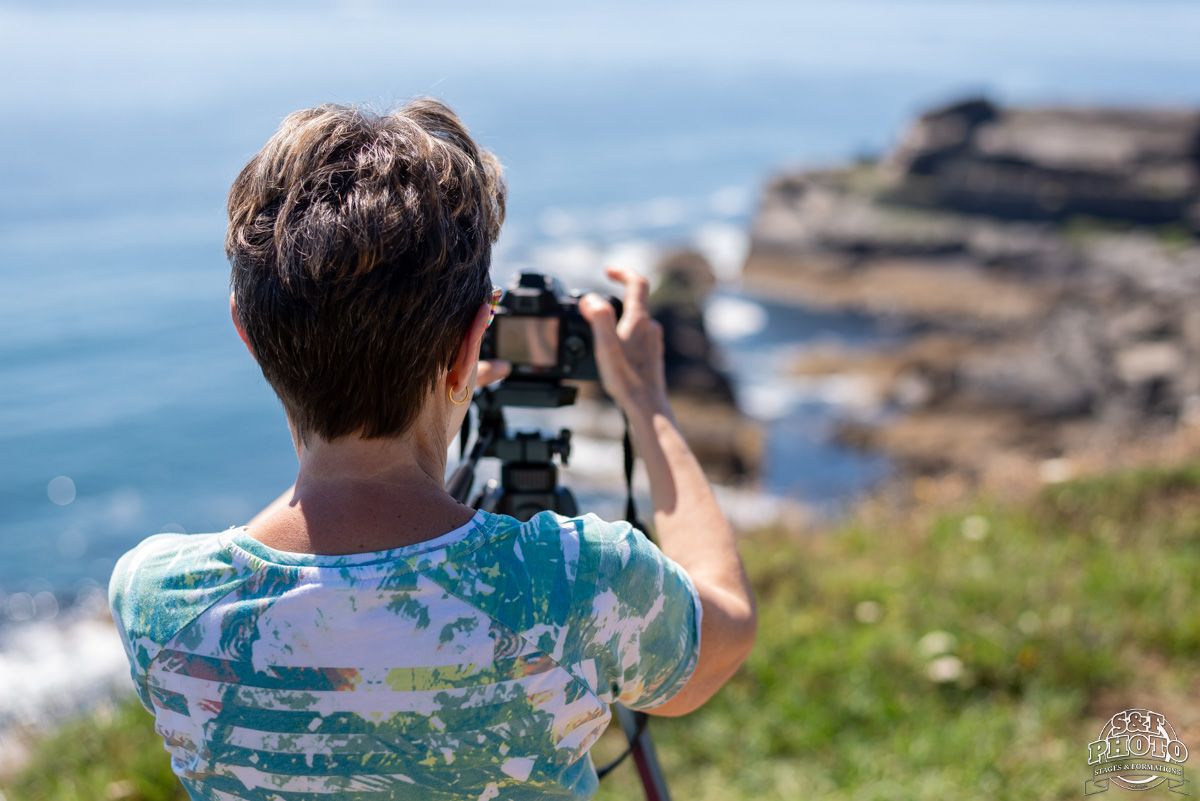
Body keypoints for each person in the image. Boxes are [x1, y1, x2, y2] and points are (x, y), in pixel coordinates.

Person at [109, 99, 757, 800]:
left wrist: (433, 368)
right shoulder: (577, 585)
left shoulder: (162, 600)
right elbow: (725, 625)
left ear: (249, 334)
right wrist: (649, 406)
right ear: (474, 344)